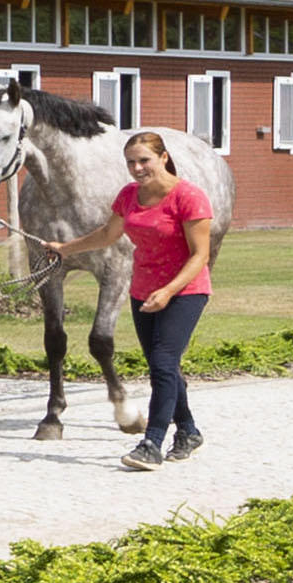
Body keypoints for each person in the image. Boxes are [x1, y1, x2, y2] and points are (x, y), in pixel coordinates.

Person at [49, 129, 223, 467]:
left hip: (185, 291)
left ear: (163, 157)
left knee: (162, 364)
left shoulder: (189, 197)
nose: (137, 168)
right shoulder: (129, 196)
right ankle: (188, 430)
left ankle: (152, 443)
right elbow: (107, 234)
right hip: (143, 290)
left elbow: (200, 255)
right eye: (131, 162)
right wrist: (64, 249)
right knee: (165, 367)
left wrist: (169, 290)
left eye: (144, 160)